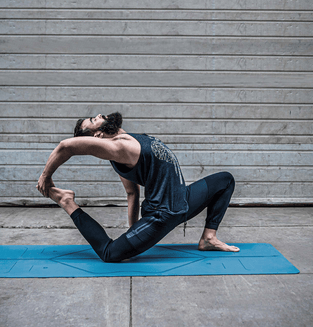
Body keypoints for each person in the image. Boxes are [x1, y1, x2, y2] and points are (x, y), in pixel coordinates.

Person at [37, 112, 240, 263]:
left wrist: (132, 229)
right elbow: (66, 146)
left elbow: (132, 192)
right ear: (96, 135)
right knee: (109, 254)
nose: (98, 115)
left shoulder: (128, 142)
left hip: (182, 200)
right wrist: (46, 177)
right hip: (162, 215)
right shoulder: (119, 147)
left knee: (225, 180)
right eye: (92, 120)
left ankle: (208, 238)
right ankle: (67, 201)